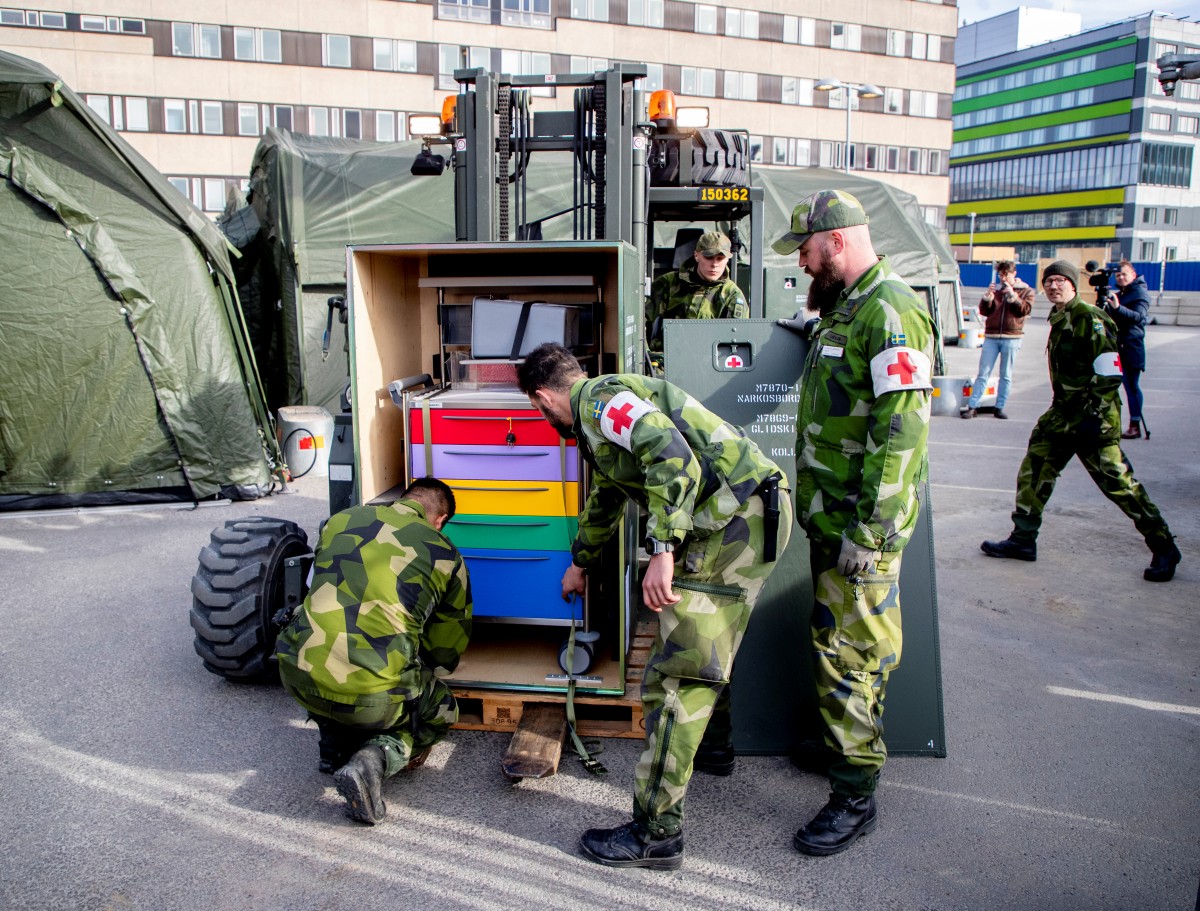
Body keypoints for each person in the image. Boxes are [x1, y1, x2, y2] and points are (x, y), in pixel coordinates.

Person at [516, 343, 791, 870]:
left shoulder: (599, 402)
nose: (542, 417)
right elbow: (610, 495)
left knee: (675, 681)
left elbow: (672, 458)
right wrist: (582, 560)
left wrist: (660, 551)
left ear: (543, 397)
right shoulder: (601, 415)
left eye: (537, 410)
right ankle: (712, 749)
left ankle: (655, 834)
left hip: (733, 525)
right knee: (703, 651)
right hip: (739, 516)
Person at [771, 189, 935, 857]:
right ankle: (847, 745)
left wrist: (871, 533)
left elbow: (901, 435)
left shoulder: (891, 311)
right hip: (831, 523)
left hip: (859, 531)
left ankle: (854, 794)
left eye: (805, 252)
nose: (803, 264)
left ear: (835, 241)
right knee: (841, 646)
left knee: (849, 655)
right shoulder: (851, 309)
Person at [275, 477, 473, 825]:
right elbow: (445, 653)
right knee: (441, 710)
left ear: (404, 498)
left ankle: (334, 741)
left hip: (297, 675)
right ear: (440, 520)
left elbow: (316, 586)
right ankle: (374, 759)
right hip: (373, 696)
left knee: (329, 656)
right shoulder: (444, 553)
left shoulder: (340, 521)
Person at [980, 261, 1181, 582]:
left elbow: (1110, 372)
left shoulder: (1090, 318)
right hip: (1062, 415)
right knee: (1034, 471)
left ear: (1073, 285)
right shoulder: (1060, 317)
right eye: (1049, 281)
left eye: (1061, 280)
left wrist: (1094, 416)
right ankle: (1022, 539)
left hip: (1091, 419)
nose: (1054, 286)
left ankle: (1164, 546)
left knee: (1119, 485)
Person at [645, 230, 749, 373]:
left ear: (728, 259)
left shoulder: (731, 295)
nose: (715, 264)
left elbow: (735, 342)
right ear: (697, 255)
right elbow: (639, 319)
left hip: (707, 369)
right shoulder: (668, 283)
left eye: (720, 258)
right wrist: (646, 354)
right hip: (664, 366)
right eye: (709, 257)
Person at [961, 260, 1034, 420]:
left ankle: (999, 407)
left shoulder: (1026, 291)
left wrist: (1013, 295)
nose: (1003, 278)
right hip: (992, 336)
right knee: (983, 373)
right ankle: (973, 406)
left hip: (1012, 337)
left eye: (1006, 274)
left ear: (1014, 273)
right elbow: (984, 311)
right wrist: (987, 298)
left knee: (1006, 374)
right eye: (1001, 275)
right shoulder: (997, 291)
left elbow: (1024, 310)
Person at [1103, 260, 1151, 439]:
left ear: (1133, 274)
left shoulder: (1140, 293)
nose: (1121, 278)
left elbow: (1139, 317)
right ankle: (1109, 422)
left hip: (1131, 346)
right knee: (1108, 386)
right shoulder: (1119, 294)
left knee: (1131, 387)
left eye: (1124, 274)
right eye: (1118, 275)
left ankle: (1135, 424)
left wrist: (1117, 308)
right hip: (1114, 345)